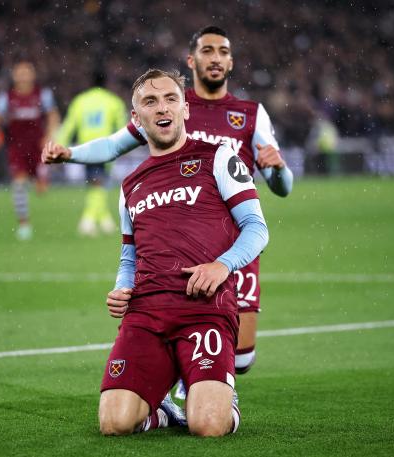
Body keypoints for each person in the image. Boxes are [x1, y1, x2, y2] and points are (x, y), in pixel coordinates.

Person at [43, 26, 292, 377]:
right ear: (192, 60)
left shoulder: (250, 115)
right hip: (183, 244)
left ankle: (203, 388)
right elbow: (114, 145)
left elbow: (283, 187)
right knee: (183, 338)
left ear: (231, 62)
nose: (215, 58)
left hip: (237, 244)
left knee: (241, 358)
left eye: (223, 51)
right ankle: (178, 393)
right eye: (207, 50)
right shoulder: (167, 107)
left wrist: (278, 168)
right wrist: (69, 153)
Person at [98, 69, 269, 436]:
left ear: (185, 109)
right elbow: (129, 256)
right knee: (113, 423)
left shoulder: (219, 158)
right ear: (136, 118)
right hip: (145, 313)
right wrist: (120, 288)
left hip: (204, 310)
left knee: (208, 425)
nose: (163, 108)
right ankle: (162, 410)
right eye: (150, 101)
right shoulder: (130, 185)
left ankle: (223, 399)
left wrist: (223, 265)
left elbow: (257, 229)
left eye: (171, 99)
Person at [0, 60, 61, 240]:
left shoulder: (42, 94)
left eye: (27, 72)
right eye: (20, 72)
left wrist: (50, 135)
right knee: (19, 185)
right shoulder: (6, 97)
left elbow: (53, 116)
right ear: (14, 76)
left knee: (41, 189)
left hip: (38, 147)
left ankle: (41, 180)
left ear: (33, 75)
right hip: (17, 148)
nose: (23, 76)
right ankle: (24, 224)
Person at [55, 70, 127, 236]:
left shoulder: (80, 101)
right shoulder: (113, 101)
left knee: (96, 183)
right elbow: (122, 126)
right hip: (107, 146)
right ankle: (89, 219)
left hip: (86, 147)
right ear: (106, 83)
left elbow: (69, 126)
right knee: (99, 183)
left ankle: (103, 219)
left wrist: (60, 145)